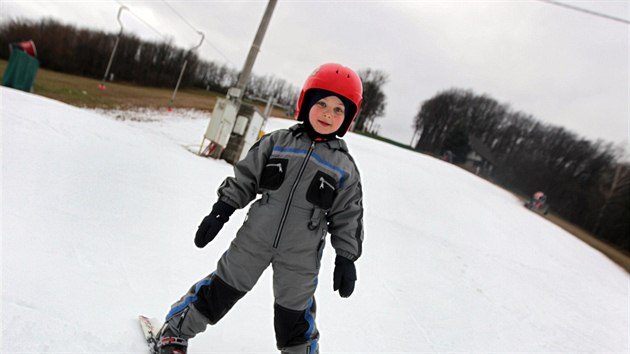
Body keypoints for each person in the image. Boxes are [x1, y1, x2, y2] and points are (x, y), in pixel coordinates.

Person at [156, 63, 365, 354]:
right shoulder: (277, 142)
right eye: (322, 104)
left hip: (301, 254)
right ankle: (175, 331)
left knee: (294, 313)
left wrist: (346, 256)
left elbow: (348, 216)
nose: (328, 114)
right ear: (305, 102)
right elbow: (246, 178)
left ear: (348, 118)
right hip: (255, 237)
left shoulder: (344, 167)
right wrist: (221, 210)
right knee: (221, 290)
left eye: (339, 110)